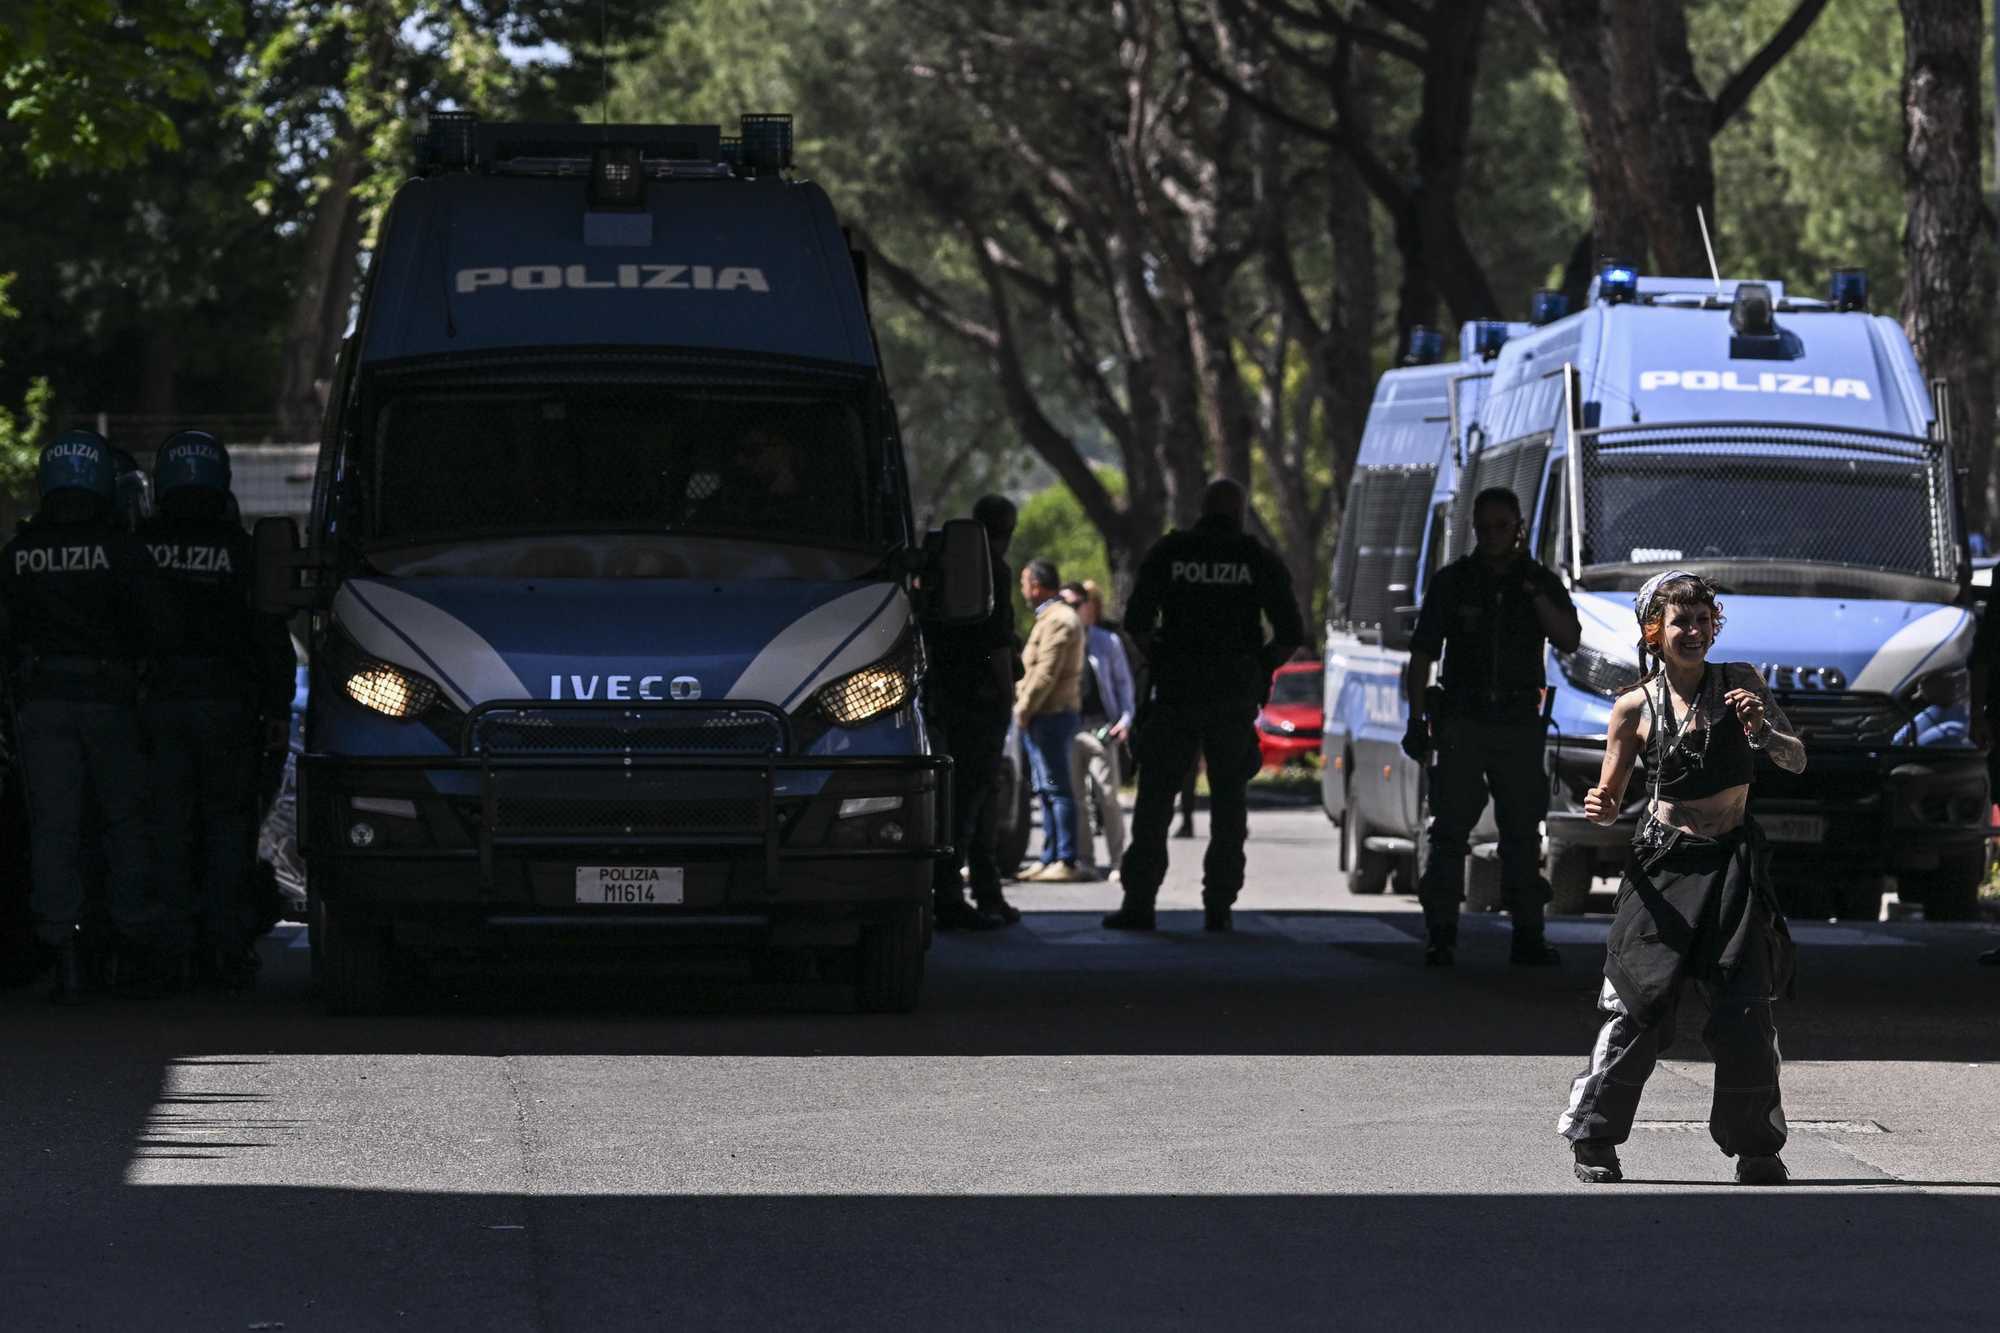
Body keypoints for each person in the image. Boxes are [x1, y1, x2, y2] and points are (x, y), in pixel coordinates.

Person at [1559, 571, 1806, 1186]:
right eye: (1680, 622)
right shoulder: (1633, 707)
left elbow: (1795, 758)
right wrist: (1601, 807)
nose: (1693, 632)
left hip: (1733, 867)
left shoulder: (1741, 683)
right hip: (1664, 868)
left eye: (1703, 620)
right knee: (1638, 1005)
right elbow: (1611, 796)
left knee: (1746, 1008)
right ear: (1655, 632)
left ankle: (1756, 1148)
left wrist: (1762, 730)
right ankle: (1594, 1139)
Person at [0, 430, 162, 1002]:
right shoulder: (122, 550)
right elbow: (154, 626)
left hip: (42, 703)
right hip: (111, 701)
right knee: (125, 823)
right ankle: (128, 944)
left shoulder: (20, 554)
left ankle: (64, 950)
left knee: (54, 829)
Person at [1105, 478, 1304, 932]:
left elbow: (1137, 622)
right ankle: (1219, 906)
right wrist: (1258, 669)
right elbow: (1290, 634)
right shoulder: (1256, 559)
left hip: (1177, 694)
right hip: (1232, 699)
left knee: (1155, 802)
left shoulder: (1172, 553)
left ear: (1202, 508)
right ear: (1240, 512)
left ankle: (1139, 902)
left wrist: (1162, 660)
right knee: (1229, 804)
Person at [142, 431, 296, 988]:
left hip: (158, 706)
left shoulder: (138, 545)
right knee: (228, 828)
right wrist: (277, 706)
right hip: (229, 707)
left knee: (166, 828)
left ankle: (172, 951)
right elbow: (271, 637)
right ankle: (227, 949)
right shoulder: (242, 551)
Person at [1403, 486, 1581, 967]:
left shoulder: (1538, 581)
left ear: (1519, 528)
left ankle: (1528, 934)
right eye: (1484, 528)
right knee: (1448, 831)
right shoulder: (1453, 582)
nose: (1493, 536)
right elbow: (1421, 655)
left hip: (1518, 724)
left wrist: (1534, 592)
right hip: (1463, 722)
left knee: (1522, 833)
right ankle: (1441, 934)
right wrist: (1416, 719)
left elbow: (1568, 638)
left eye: (1502, 527)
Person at [922, 495, 1021, 929]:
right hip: (981, 701)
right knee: (972, 802)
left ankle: (982, 891)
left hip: (947, 696)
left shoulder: (941, 568)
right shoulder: (993, 572)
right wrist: (1007, 693)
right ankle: (958, 895)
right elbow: (996, 644)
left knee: (966, 800)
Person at [1015, 558, 1089, 882]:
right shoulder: (1049, 617)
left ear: (1036, 586)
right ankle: (1048, 857)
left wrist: (1023, 708)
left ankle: (1065, 859)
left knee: (1057, 789)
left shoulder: (1059, 619)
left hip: (1051, 715)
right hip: (1042, 716)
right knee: (1045, 790)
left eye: (1024, 582)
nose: (1022, 589)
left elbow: (1045, 673)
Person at [1060, 580, 1135, 877]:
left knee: (1107, 795)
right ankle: (1086, 860)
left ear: (1088, 607)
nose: (1071, 611)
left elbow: (1123, 685)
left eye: (1076, 605)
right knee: (1076, 799)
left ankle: (1118, 861)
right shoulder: (1059, 640)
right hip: (1068, 728)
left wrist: (1125, 721)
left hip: (1100, 728)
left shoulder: (1107, 642)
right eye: (1065, 605)